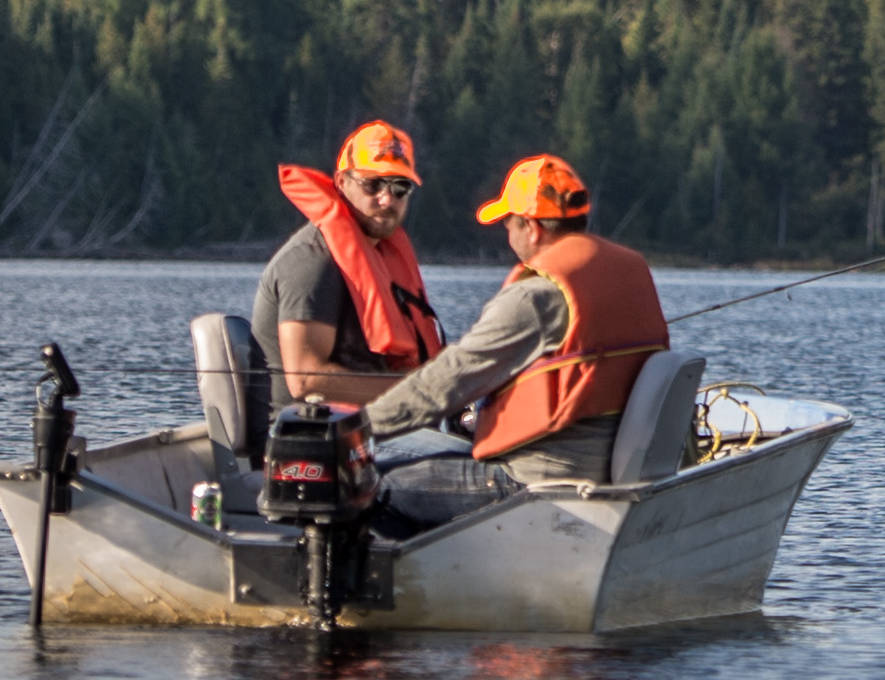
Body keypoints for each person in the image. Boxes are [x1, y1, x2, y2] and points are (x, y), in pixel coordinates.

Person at [355, 153, 675, 477]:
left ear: (532, 228)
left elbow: (445, 383)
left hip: (533, 480)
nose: (508, 233)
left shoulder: (534, 298)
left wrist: (353, 430)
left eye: (508, 222)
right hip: (609, 470)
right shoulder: (628, 275)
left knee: (371, 479)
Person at [255, 119, 443, 407]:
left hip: (374, 429)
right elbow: (306, 380)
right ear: (342, 183)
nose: (386, 199)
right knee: (463, 453)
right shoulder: (312, 262)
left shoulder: (380, 258)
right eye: (373, 184)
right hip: (314, 440)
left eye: (400, 187)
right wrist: (423, 393)